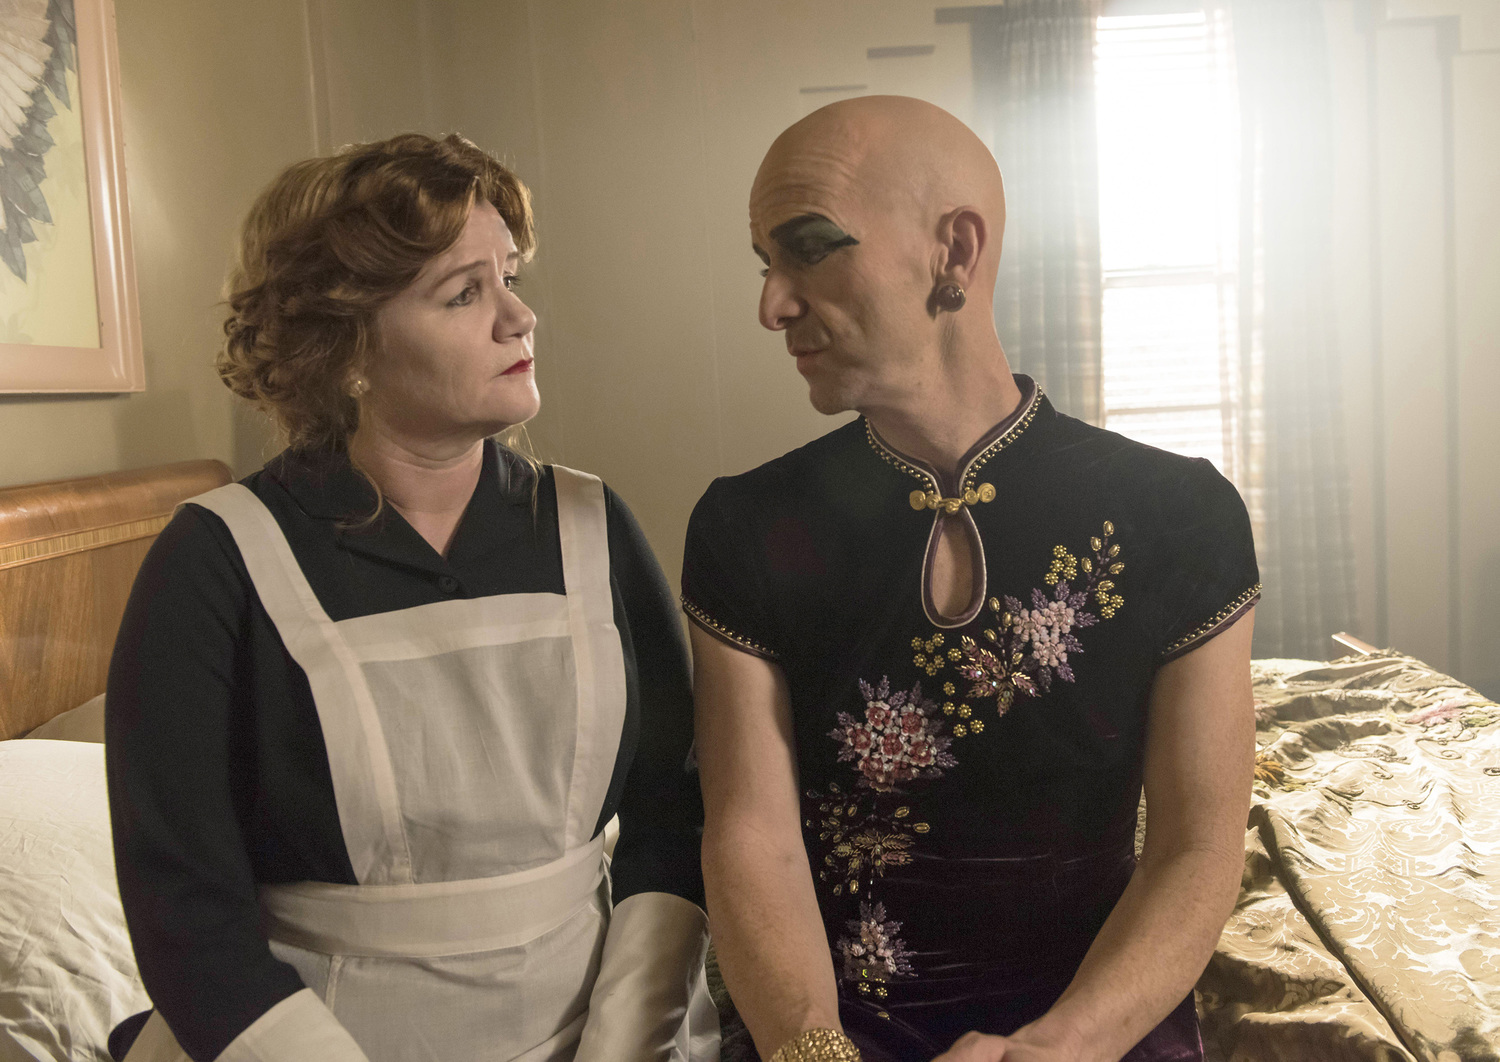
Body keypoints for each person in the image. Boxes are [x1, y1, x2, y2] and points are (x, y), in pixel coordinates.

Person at [106, 132, 718, 1062]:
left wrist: (625, 1041)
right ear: (346, 344)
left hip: (605, 1031)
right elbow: (184, 912)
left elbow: (671, 817)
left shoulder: (593, 526)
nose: (520, 317)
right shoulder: (218, 560)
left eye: (509, 277)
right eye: (464, 293)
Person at [682, 96, 1258, 1062]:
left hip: (1100, 1026)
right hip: (829, 1031)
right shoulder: (746, 525)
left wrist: (1058, 1049)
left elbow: (1196, 847)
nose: (772, 305)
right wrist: (814, 1051)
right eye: (765, 264)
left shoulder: (1179, 513)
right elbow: (751, 836)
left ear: (954, 251)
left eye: (810, 249)